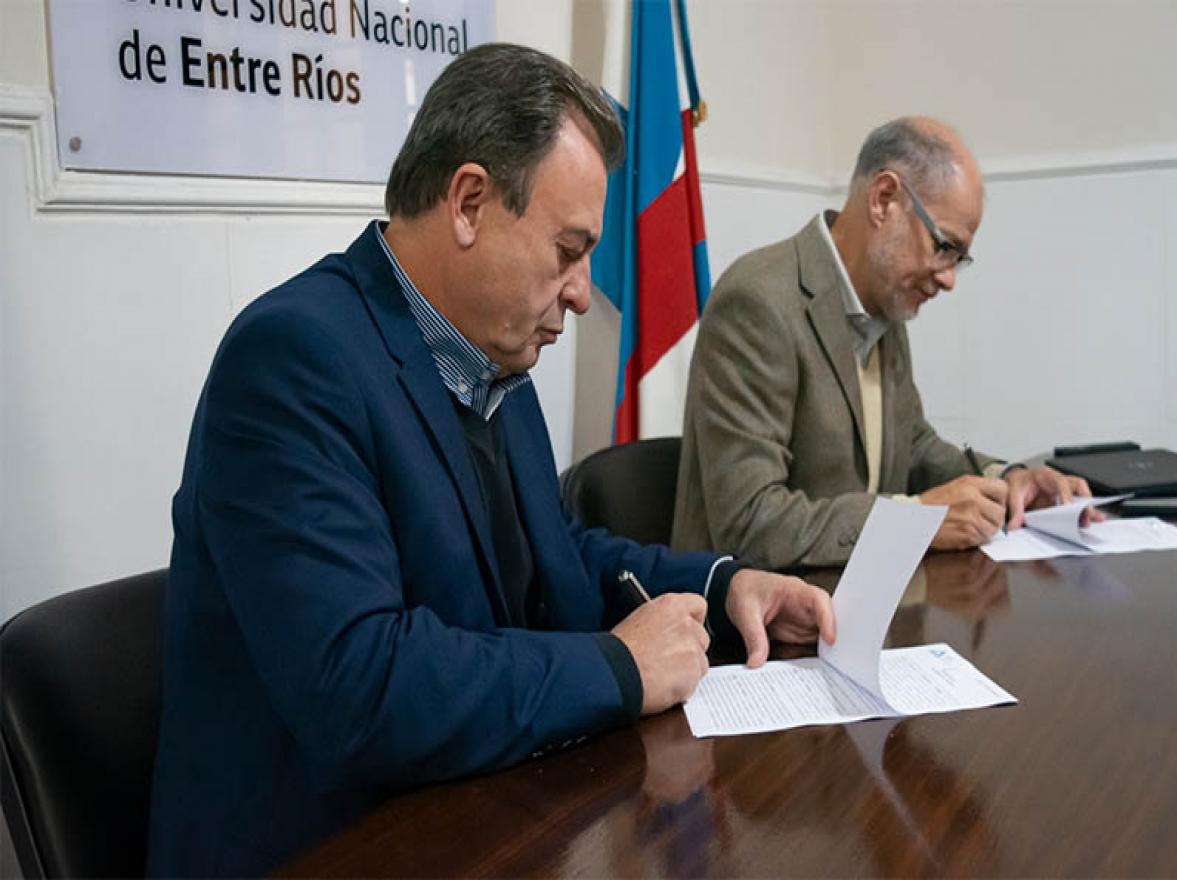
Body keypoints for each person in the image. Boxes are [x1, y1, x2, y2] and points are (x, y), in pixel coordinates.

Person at [147, 43, 834, 877]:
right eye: (568, 250)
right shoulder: (295, 357)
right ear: (469, 202)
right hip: (328, 845)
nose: (583, 292)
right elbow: (358, 683)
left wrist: (725, 589)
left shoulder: (490, 352)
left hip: (479, 814)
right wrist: (618, 666)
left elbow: (557, 557)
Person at [673, 117, 1094, 569]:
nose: (949, 278)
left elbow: (914, 449)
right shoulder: (759, 301)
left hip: (858, 598)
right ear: (884, 199)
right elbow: (751, 522)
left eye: (959, 257)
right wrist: (918, 520)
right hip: (752, 623)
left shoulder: (885, 303)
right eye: (944, 246)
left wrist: (1008, 479)